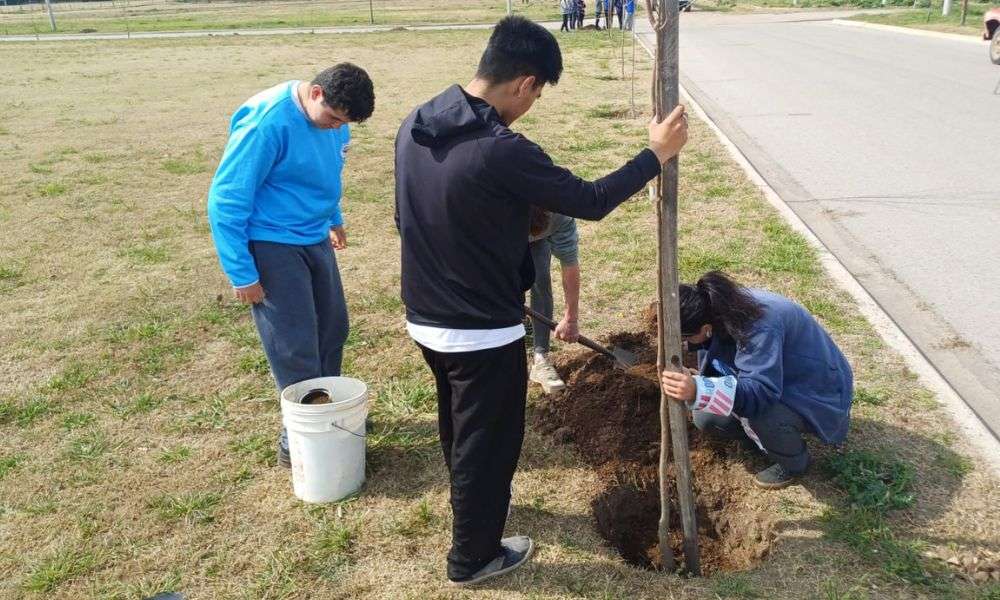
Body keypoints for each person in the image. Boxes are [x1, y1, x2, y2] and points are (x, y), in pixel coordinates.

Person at [395, 16, 687, 586]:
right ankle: (473, 558)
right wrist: (654, 155)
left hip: (425, 318)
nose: (532, 106)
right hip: (480, 332)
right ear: (526, 82)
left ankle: (470, 508)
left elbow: (405, 218)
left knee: (458, 424)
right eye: (538, 95)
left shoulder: (418, 123)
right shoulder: (502, 149)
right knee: (489, 442)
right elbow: (591, 200)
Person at [207, 64, 375, 468]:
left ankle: (330, 410)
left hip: (313, 235)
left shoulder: (336, 121)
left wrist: (333, 217)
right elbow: (226, 199)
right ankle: (298, 432)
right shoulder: (267, 123)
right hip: (271, 243)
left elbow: (328, 169)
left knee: (333, 326)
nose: (338, 128)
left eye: (346, 123)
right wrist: (242, 273)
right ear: (315, 93)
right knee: (294, 341)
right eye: (334, 119)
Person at [660, 271, 854, 489]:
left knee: (760, 415)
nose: (683, 344)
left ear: (706, 329)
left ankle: (794, 463)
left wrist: (698, 389)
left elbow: (761, 393)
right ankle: (763, 442)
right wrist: (702, 385)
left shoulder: (759, 325)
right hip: (778, 375)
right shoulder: (717, 310)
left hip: (815, 389)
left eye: (685, 339)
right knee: (706, 417)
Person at [527, 207, 580, 393]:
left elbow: (570, 262)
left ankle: (540, 357)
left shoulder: (559, 212)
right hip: (492, 230)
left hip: (537, 231)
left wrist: (571, 319)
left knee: (540, 278)